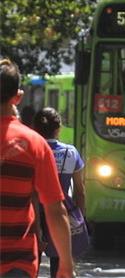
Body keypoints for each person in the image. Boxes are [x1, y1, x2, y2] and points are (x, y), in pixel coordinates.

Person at [0, 59, 74, 278]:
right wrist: (66, 264)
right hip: (18, 261)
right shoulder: (35, 144)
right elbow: (55, 210)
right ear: (18, 96)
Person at [32, 107, 86, 278]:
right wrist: (80, 220)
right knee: (60, 265)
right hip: (60, 214)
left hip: (32, 214)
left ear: (35, 129)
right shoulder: (71, 152)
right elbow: (80, 191)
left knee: (31, 266)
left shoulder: (31, 151)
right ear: (59, 129)